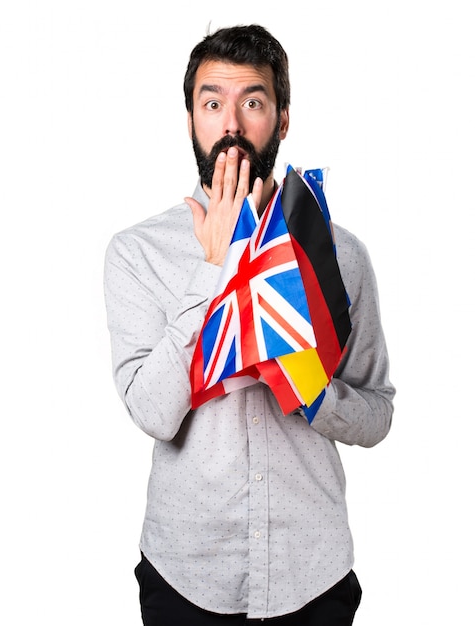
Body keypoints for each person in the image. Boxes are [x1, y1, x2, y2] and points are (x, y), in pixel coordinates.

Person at [104, 24, 395, 625]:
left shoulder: (338, 255)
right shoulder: (138, 253)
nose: (231, 123)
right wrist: (212, 269)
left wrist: (313, 393)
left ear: (282, 120)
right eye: (212, 103)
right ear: (191, 119)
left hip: (311, 575)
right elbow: (153, 413)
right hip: (186, 575)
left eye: (253, 103)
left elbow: (378, 413)